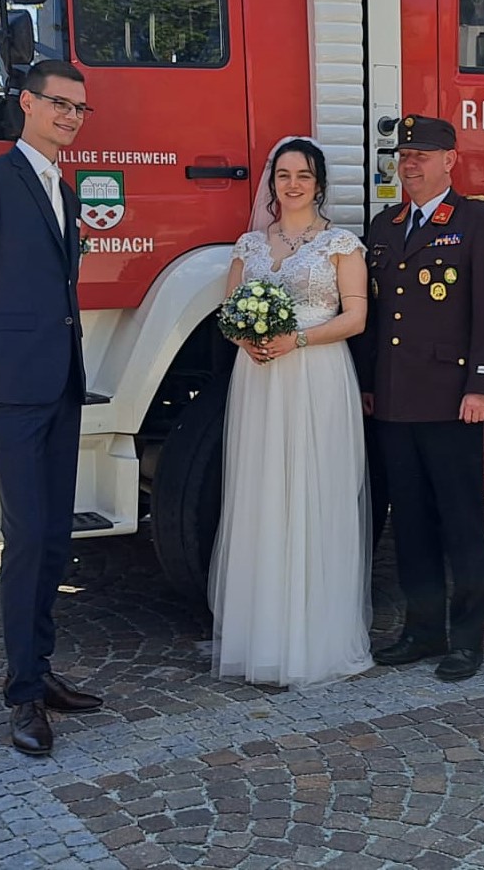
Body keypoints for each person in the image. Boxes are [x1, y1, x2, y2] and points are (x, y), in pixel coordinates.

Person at [0, 59, 104, 757]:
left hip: (60, 382)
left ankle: (40, 669)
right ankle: (24, 697)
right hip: (9, 386)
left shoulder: (61, 189)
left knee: (55, 537)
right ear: (26, 104)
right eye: (60, 104)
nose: (70, 116)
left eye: (80, 109)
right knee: (28, 539)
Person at [358, 115, 484, 682]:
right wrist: (371, 384)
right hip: (397, 404)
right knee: (414, 525)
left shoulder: (478, 220)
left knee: (462, 524)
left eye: (422, 154)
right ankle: (423, 630)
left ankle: (467, 639)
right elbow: (377, 318)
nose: (410, 163)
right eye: (404, 155)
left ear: (451, 159)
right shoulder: (384, 226)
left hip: (454, 403)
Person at [211, 137, 373, 688]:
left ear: (320, 182)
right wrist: (248, 341)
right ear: (272, 182)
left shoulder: (341, 245)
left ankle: (314, 640)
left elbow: (355, 319)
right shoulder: (250, 246)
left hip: (315, 376)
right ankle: (264, 636)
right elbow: (229, 314)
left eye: (303, 174)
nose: (293, 184)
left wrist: (294, 341)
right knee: (263, 497)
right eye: (283, 174)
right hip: (258, 380)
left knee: (314, 494)